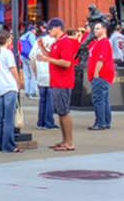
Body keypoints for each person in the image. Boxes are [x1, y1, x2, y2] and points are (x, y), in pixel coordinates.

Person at [38, 17, 79, 151]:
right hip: (56, 81)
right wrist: (43, 50)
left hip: (63, 82)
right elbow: (55, 57)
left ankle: (69, 142)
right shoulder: (57, 42)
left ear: (59, 28)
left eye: (51, 28)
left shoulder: (65, 42)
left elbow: (67, 63)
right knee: (61, 112)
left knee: (64, 112)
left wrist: (47, 58)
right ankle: (65, 140)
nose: (49, 30)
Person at [0, 30, 23, 153]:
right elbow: (13, 70)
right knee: (9, 118)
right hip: (8, 86)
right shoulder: (7, 53)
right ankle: (8, 145)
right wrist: (19, 83)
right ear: (8, 40)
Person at [86, 20, 114, 130]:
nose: (95, 31)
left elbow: (101, 59)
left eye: (98, 28)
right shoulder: (99, 42)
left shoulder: (103, 42)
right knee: (104, 99)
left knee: (99, 99)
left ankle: (100, 122)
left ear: (104, 29)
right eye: (95, 29)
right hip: (102, 75)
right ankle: (106, 121)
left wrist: (96, 72)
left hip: (100, 75)